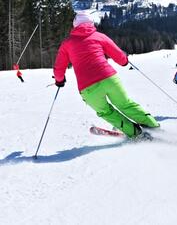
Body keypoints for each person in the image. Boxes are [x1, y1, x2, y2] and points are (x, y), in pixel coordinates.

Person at [53, 10, 159, 138]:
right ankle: (152, 126)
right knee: (125, 104)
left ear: (75, 25)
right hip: (109, 78)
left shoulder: (67, 44)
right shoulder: (99, 36)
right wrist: (124, 61)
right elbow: (119, 55)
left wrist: (59, 80)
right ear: (91, 23)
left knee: (105, 112)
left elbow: (59, 68)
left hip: (88, 87)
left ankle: (134, 133)